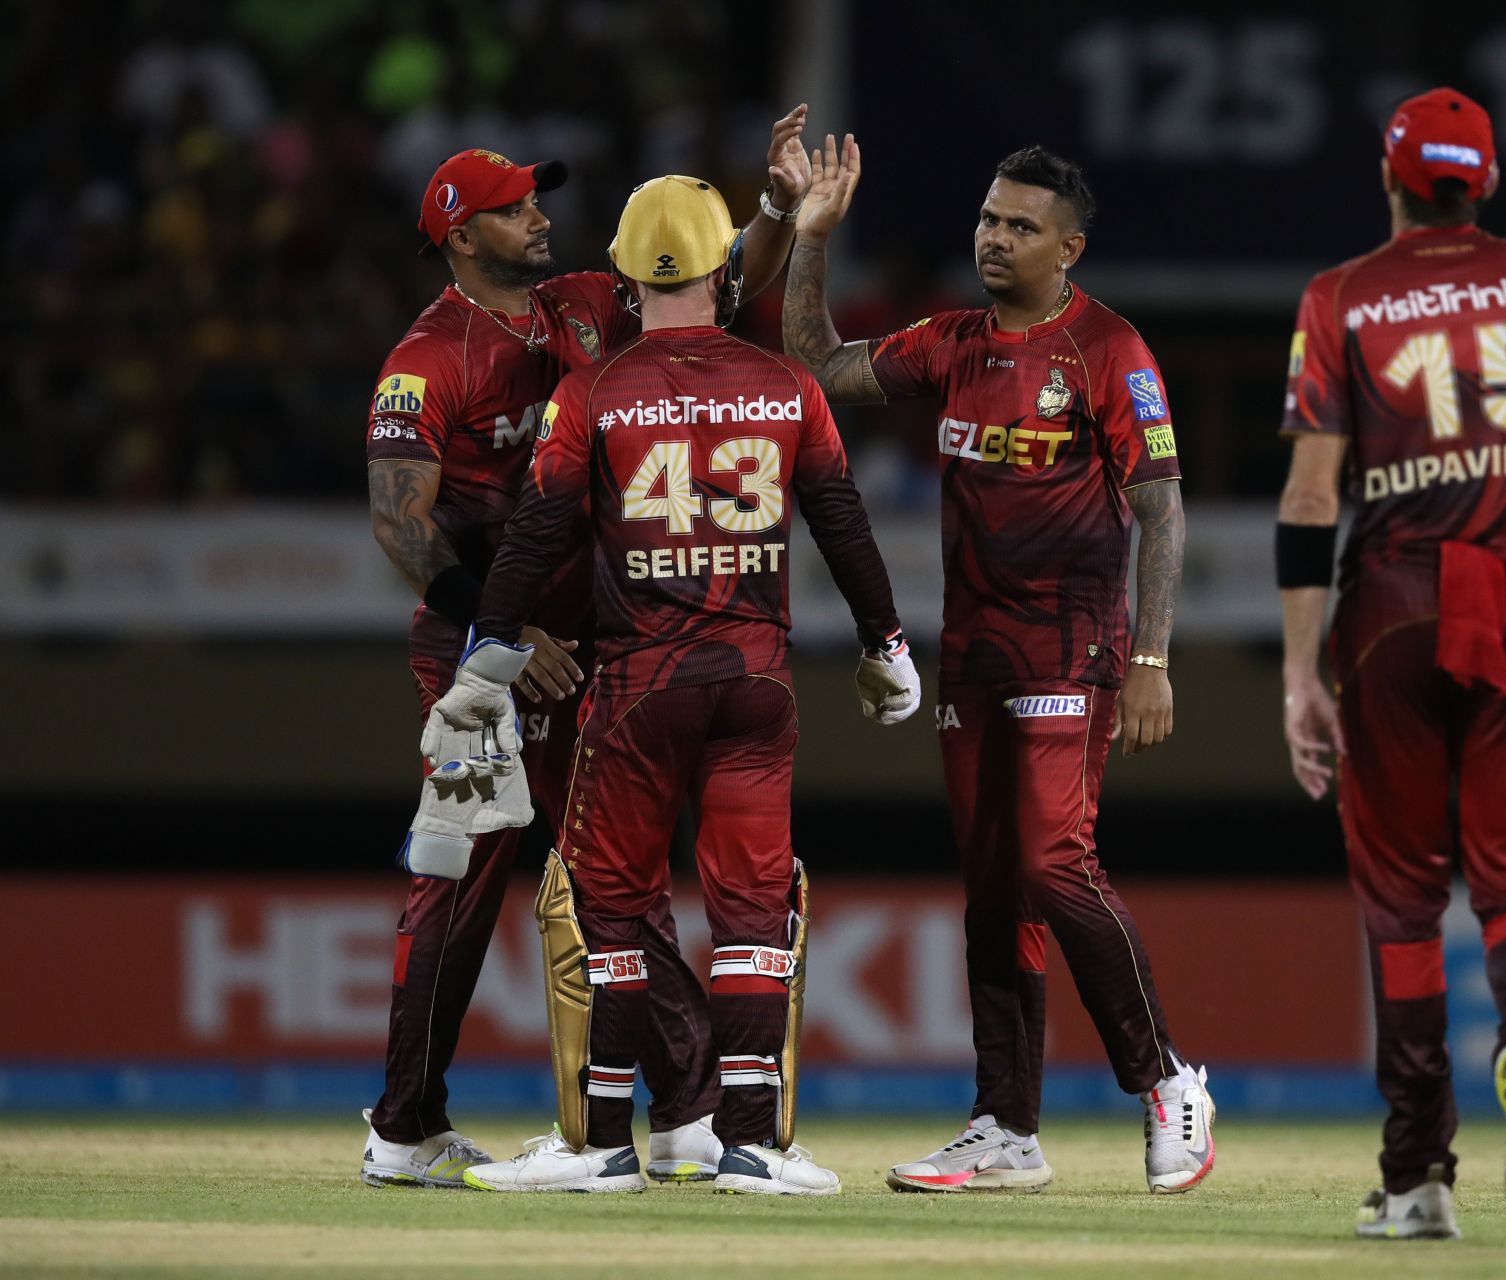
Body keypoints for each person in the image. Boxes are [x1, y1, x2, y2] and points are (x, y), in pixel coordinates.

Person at [359, 109, 812, 1189]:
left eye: (536, 198)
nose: (538, 215)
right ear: (460, 234)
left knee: (612, 880)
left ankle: (680, 1112)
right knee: (473, 884)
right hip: (489, 659)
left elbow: (720, 275)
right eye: (513, 208)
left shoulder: (589, 303)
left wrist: (780, 211)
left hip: (604, 645)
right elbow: (397, 521)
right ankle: (414, 1124)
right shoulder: (427, 357)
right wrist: (504, 636)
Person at [443, 173, 918, 1196]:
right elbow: (842, 520)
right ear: (724, 267)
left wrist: (489, 654)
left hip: (640, 682)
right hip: (756, 680)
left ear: (622, 268)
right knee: (751, 912)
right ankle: (751, 1141)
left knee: (610, 907)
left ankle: (604, 1142)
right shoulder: (789, 386)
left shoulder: (594, 391)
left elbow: (534, 538)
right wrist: (887, 644)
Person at [784, 139, 1214, 1194]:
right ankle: (1004, 1124)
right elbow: (817, 370)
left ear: (1069, 247)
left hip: (1074, 641)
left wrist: (1152, 657)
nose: (993, 236)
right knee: (991, 888)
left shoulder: (1111, 350)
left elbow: (1162, 507)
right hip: (973, 651)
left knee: (1054, 860)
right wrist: (811, 241)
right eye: (986, 217)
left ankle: (1167, 1082)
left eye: (1020, 226)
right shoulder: (954, 341)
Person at [1275, 88, 1506, 1238]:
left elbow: (1308, 495)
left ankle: (1416, 1175)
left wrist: (1299, 675)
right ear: (1485, 182)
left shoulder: (1341, 296)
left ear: (1391, 178)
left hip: (1387, 617)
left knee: (1401, 900)